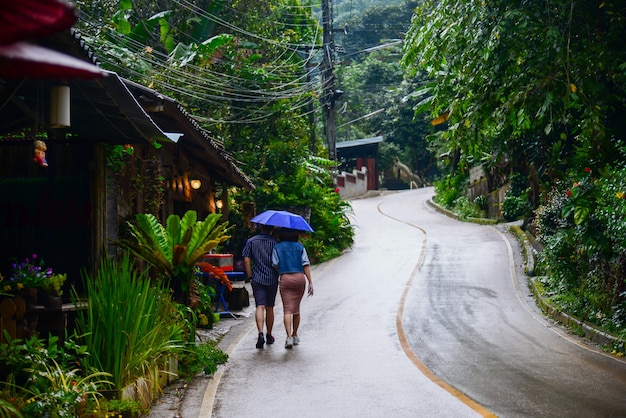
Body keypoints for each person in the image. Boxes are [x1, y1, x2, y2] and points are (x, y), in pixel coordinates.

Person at [272, 228, 314, 349]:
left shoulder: (277, 247)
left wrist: (281, 270)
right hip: (300, 278)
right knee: (296, 308)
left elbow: (275, 263)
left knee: (287, 309)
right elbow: (305, 264)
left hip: (285, 278)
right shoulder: (300, 247)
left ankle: (288, 337)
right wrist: (310, 282)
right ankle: (295, 335)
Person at [243, 223, 279, 348]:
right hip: (272, 278)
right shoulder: (275, 243)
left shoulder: (251, 241)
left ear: (260, 227)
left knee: (260, 306)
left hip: (257, 279)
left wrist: (250, 276)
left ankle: (260, 333)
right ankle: (269, 335)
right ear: (272, 229)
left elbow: (246, 259)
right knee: (270, 307)